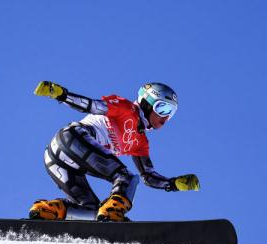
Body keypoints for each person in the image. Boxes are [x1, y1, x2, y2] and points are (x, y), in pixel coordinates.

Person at [29, 81, 199, 222]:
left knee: (91, 212)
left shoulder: (140, 142)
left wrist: (173, 183)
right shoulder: (127, 109)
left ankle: (47, 211)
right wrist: (62, 95)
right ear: (146, 103)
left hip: (56, 156)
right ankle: (112, 214)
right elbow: (92, 106)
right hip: (72, 138)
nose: (165, 118)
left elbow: (148, 176)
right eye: (163, 109)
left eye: (171, 113)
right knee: (126, 177)